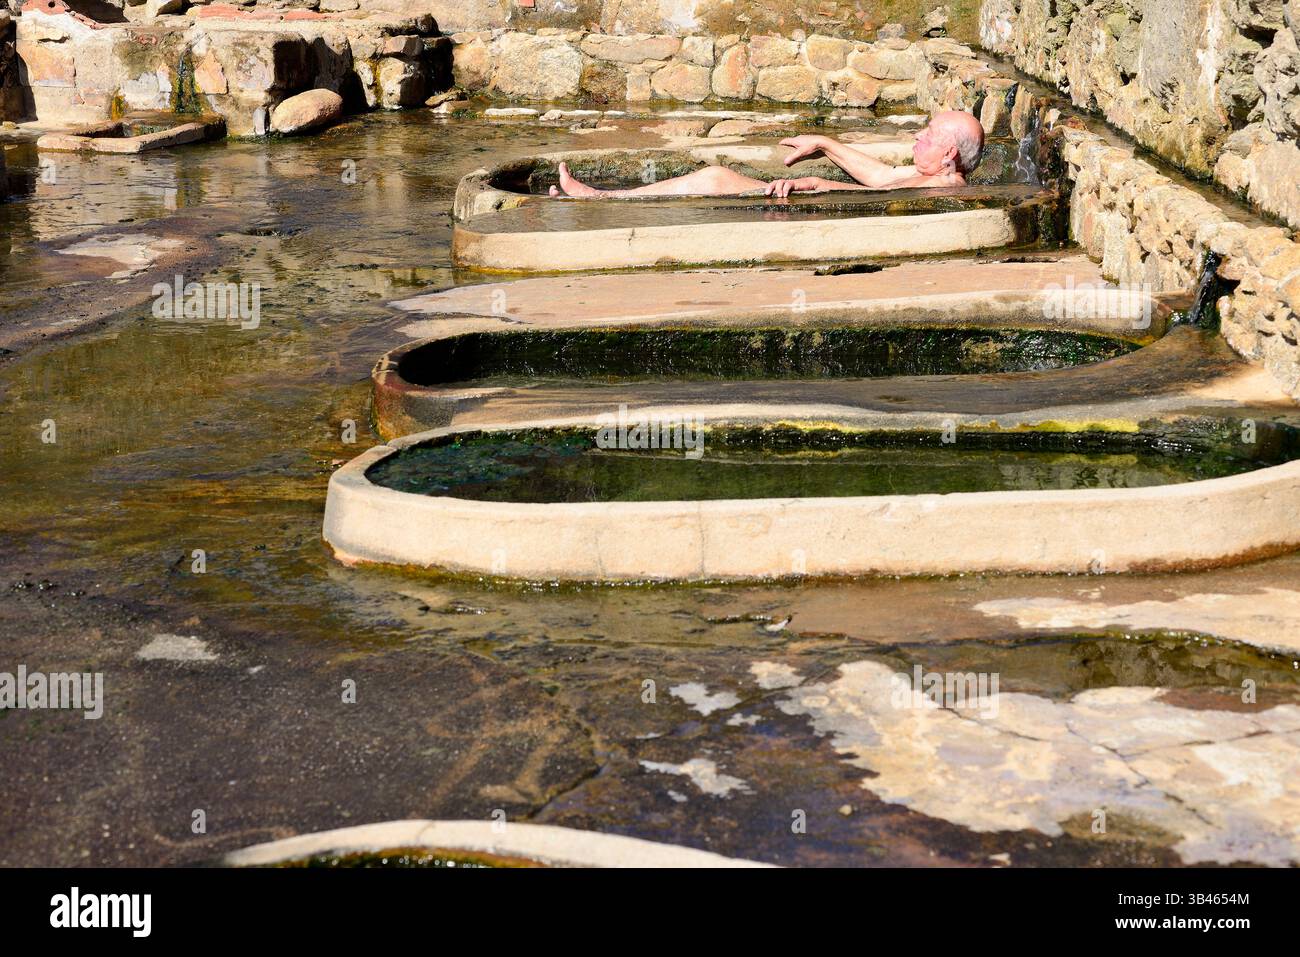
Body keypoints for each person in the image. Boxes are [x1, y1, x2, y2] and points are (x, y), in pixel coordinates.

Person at [548, 110, 985, 199]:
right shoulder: (935, 177)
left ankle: (603, 198)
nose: (915, 138)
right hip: (813, 200)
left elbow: (877, 199)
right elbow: (883, 178)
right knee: (715, 177)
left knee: (715, 178)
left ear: (948, 153)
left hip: (816, 212)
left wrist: (818, 183)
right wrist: (826, 144)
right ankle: (603, 198)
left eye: (926, 135)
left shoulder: (940, 190)